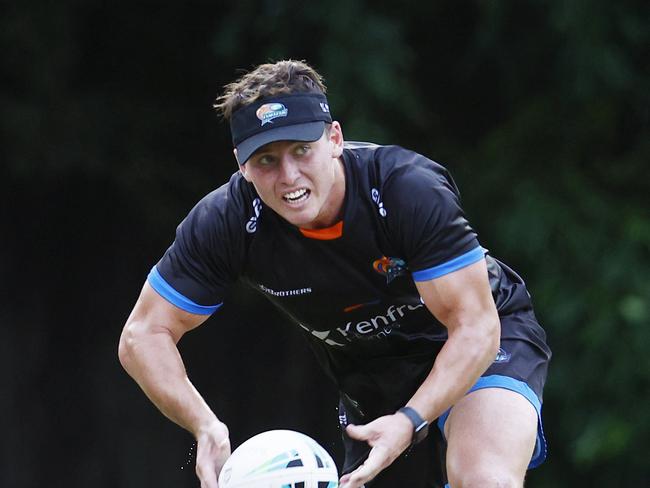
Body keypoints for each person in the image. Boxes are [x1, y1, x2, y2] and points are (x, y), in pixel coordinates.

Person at [119, 59, 551, 488]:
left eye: (302, 150)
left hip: (483, 339)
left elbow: (475, 326)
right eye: (266, 160)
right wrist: (204, 425)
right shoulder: (226, 223)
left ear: (334, 139)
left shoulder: (406, 189)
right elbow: (142, 336)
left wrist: (410, 420)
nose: (289, 176)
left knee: (483, 478)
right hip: (370, 377)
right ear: (242, 166)